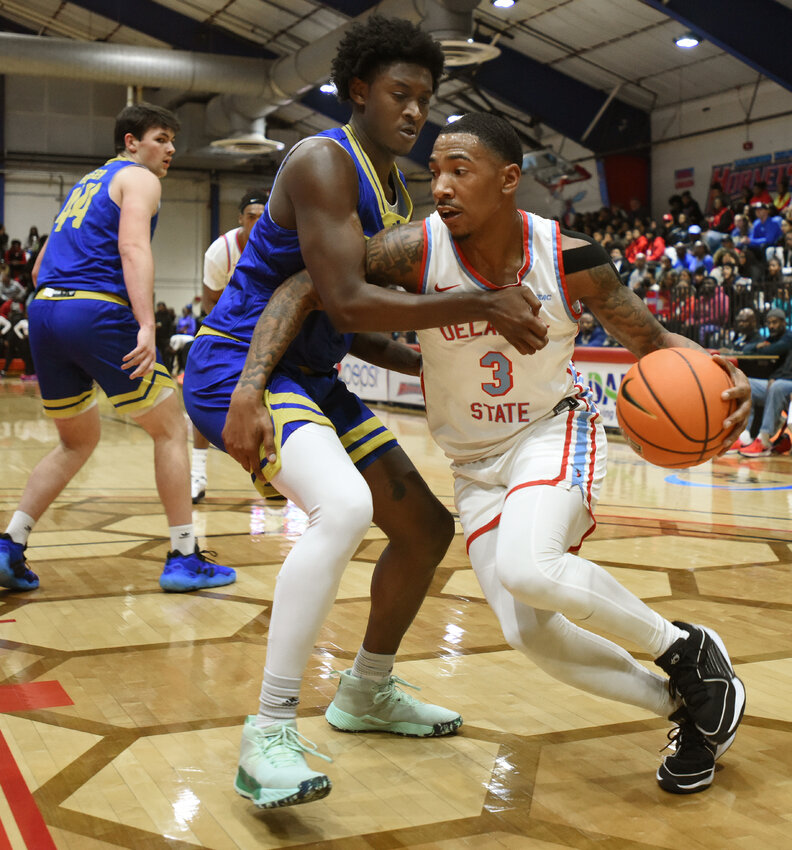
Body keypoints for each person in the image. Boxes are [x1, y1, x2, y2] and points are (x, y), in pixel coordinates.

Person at [246, 113, 751, 797]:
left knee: (529, 567)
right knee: (529, 633)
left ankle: (688, 650)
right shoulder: (411, 249)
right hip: (472, 465)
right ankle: (688, 706)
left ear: (509, 179)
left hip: (550, 433)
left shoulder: (569, 258)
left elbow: (654, 343)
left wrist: (723, 372)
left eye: (462, 170)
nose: (443, 186)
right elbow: (307, 287)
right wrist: (249, 386)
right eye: (437, 173)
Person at [182, 18, 547, 811]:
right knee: (343, 507)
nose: (415, 112)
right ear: (358, 91)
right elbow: (343, 296)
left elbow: (352, 321)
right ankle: (271, 728)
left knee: (425, 529)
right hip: (239, 366)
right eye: (399, 94)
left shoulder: (391, 186)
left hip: (310, 375)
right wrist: (482, 301)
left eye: (425, 98)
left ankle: (366, 691)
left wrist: (430, 364)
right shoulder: (322, 162)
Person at [0, 102, 236, 595]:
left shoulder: (86, 184)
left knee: (76, 441)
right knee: (171, 427)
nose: (170, 149)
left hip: (44, 311)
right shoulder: (140, 179)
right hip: (94, 310)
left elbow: (41, 267)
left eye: (173, 140)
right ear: (131, 142)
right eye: (160, 138)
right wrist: (146, 323)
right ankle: (184, 556)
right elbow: (133, 248)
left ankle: (10, 545)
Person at [191, 189, 268, 503]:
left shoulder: (279, 244)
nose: (257, 223)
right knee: (203, 400)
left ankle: (276, 471)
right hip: (224, 330)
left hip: (268, 332)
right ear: (240, 219)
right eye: (251, 217)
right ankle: (196, 473)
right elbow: (210, 302)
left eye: (263, 217)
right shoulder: (220, 251)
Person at [737, 344, 792, 457]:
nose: (771, 325)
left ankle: (764, 440)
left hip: (784, 384)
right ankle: (743, 436)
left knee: (778, 387)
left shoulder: (787, 338)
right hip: (783, 380)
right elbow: (785, 369)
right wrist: (773, 377)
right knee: (749, 384)